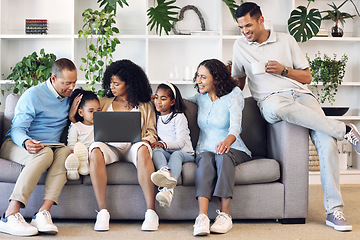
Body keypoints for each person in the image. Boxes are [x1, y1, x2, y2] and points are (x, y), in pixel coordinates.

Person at [232, 2, 360, 232]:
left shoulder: (286, 40)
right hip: (271, 101)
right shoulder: (240, 46)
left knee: (327, 143)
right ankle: (345, 130)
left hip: (301, 95)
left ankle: (334, 211)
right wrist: (228, 80)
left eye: (248, 25)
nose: (245, 32)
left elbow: (307, 77)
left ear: (261, 20)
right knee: (281, 110)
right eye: (241, 27)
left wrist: (283, 70)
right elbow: (239, 82)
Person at [0, 58, 78, 236]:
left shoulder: (70, 97)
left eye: (74, 82)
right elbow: (17, 129)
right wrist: (27, 142)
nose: (71, 87)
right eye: (67, 83)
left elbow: (94, 106)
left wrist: (73, 116)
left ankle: (42, 213)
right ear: (52, 79)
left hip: (49, 147)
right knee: (46, 154)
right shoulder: (33, 95)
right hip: (16, 144)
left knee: (65, 152)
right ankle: (9, 214)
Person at [87, 59, 158, 232]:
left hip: (133, 147)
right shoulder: (103, 102)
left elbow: (151, 132)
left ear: (129, 84)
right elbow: (88, 122)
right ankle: (103, 212)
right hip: (109, 148)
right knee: (95, 149)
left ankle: (151, 212)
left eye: (116, 83)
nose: (112, 86)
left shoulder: (145, 105)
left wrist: (145, 140)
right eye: (110, 82)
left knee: (142, 149)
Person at [188, 59, 252, 236]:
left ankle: (225, 215)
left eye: (203, 77)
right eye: (197, 77)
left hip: (234, 147)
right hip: (205, 149)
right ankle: (202, 217)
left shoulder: (234, 94)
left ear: (215, 79)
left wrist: (226, 142)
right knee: (207, 159)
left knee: (222, 156)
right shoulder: (200, 97)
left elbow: (235, 127)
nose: (198, 81)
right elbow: (179, 100)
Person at [150, 82, 195, 208]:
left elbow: (181, 143)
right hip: (168, 152)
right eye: (156, 97)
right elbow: (149, 99)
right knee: (155, 151)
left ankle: (168, 189)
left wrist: (162, 144)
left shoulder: (178, 117)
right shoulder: (158, 117)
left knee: (175, 154)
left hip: (185, 153)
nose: (158, 101)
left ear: (172, 102)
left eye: (163, 99)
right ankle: (164, 171)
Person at [64, 89, 101, 180]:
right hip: (79, 152)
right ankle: (74, 170)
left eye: (98, 111)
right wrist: (73, 151)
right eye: (91, 111)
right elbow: (71, 144)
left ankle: (84, 164)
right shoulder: (76, 127)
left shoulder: (100, 126)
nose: (95, 114)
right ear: (81, 112)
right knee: (76, 152)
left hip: (93, 153)